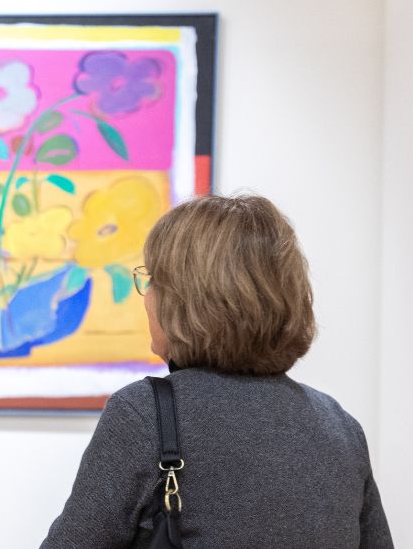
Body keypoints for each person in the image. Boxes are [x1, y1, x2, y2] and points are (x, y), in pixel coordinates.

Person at [41, 195, 392, 548]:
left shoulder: (144, 413)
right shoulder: (340, 427)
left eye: (152, 281)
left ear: (182, 299)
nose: (146, 296)